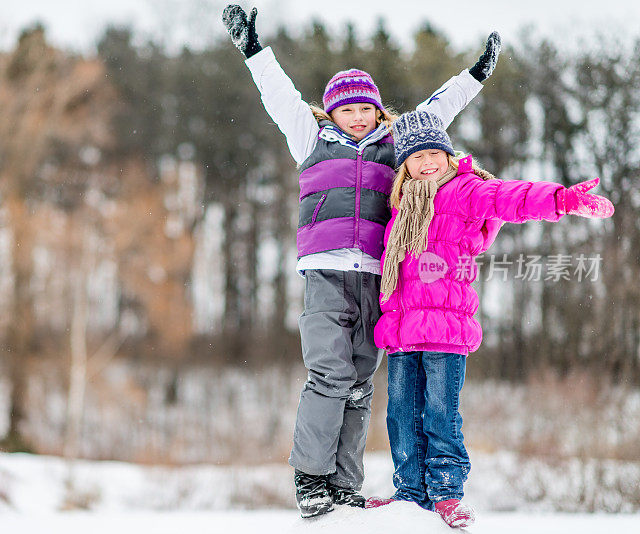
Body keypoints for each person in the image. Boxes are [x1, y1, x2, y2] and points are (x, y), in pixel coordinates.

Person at [221, 4, 500, 518]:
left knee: (359, 379)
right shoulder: (310, 139)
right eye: (346, 110)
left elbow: (438, 111)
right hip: (325, 271)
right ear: (331, 113)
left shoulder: (394, 145)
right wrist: (254, 51)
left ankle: (346, 484)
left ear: (376, 111)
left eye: (364, 109)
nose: (357, 117)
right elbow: (279, 96)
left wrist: (475, 76)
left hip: (378, 275)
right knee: (327, 372)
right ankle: (311, 478)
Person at [367, 110, 614, 527]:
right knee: (400, 414)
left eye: (434, 153)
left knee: (440, 411)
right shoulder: (400, 208)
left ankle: (446, 491)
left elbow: (509, 197)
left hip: (445, 329)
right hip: (404, 331)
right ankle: (410, 490)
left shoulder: (465, 190)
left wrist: (560, 199)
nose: (427, 163)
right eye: (416, 157)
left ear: (447, 155)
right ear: (404, 166)